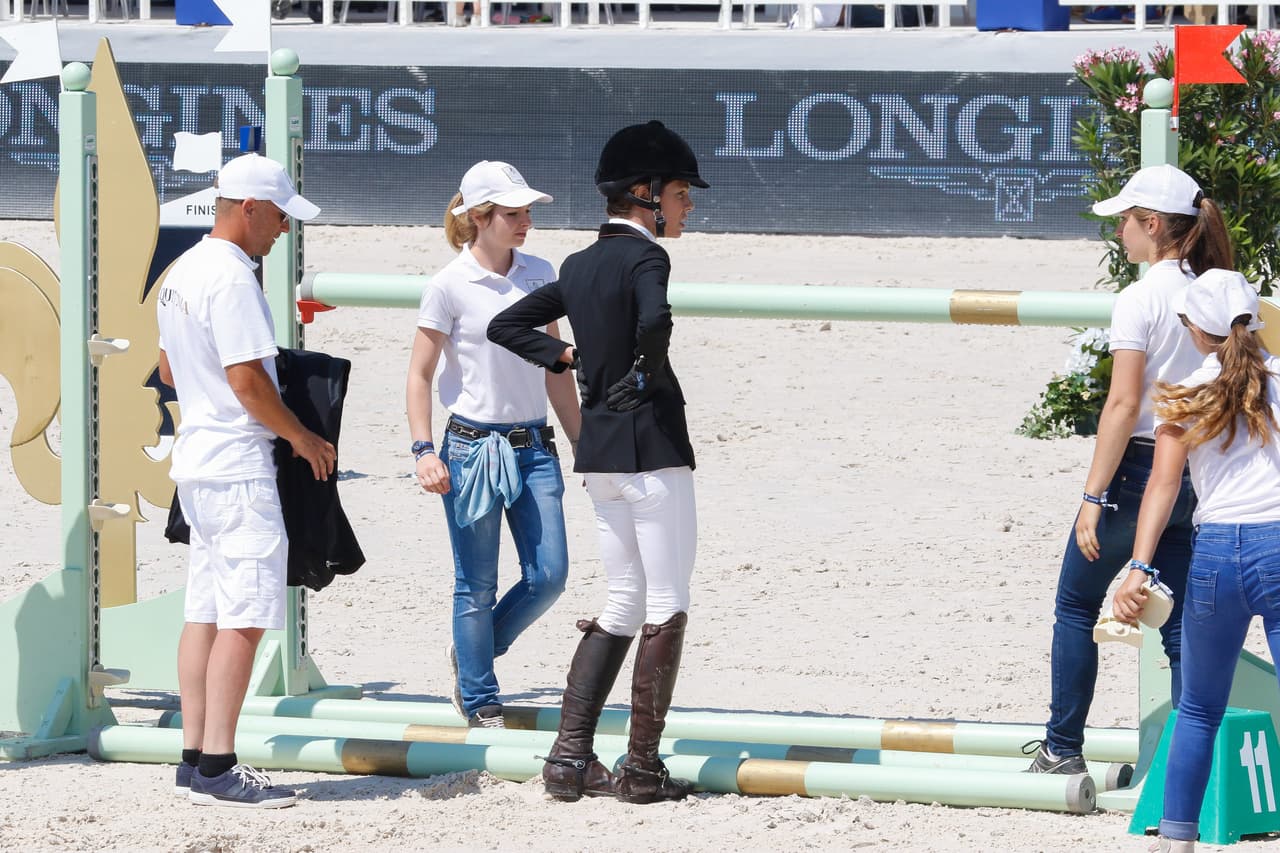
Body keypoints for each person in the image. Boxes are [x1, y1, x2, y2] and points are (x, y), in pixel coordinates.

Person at [487, 120, 706, 805]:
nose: (687, 207)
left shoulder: (578, 266)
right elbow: (655, 321)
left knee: (622, 599)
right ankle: (641, 767)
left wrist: (567, 356)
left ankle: (569, 757)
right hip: (653, 452)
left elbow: (505, 325)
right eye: (679, 195)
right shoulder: (648, 259)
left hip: (601, 458)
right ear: (645, 194)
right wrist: (644, 372)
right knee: (666, 603)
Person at [1026, 164, 1235, 776]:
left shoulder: (1140, 298)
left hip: (1140, 471)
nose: (1118, 232)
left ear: (1153, 225)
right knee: (1179, 628)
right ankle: (1195, 765)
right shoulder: (1220, 288)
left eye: (1125, 221)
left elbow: (1121, 405)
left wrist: (1093, 495)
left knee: (1075, 605)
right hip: (1201, 473)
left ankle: (1062, 748)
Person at [157, 153, 335, 808]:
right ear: (250, 208)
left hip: (197, 457)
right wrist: (302, 436)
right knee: (247, 615)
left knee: (204, 610)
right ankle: (218, 766)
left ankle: (194, 758)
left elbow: (168, 369)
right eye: (280, 217)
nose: (284, 230)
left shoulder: (184, 268)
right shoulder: (233, 277)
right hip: (235, 462)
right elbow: (248, 381)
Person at [405, 160, 580, 729]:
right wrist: (423, 451)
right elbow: (419, 375)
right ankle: (481, 698)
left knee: (548, 576)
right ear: (479, 218)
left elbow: (556, 366)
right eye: (513, 213)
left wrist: (582, 440)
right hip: (471, 450)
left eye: (527, 211)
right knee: (475, 584)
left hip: (535, 448)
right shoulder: (448, 285)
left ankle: (473, 653)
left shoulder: (541, 273)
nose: (526, 221)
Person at [1112, 270, 1276, 853]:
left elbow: (1162, 486)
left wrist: (1139, 566)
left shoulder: (1183, 393)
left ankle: (1177, 839)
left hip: (1216, 554)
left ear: (1194, 331)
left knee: (1200, 710)